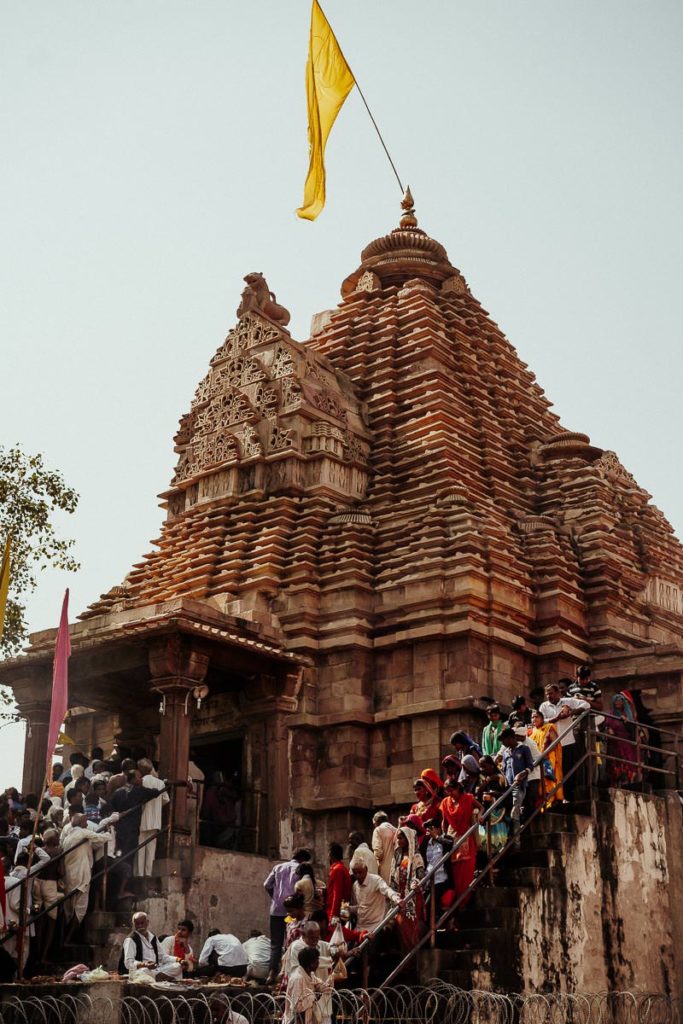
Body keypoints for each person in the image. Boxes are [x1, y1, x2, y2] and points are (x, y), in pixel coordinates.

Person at [264, 848, 312, 984]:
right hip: (292, 912)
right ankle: (285, 973)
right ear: (303, 860)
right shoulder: (300, 870)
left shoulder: (278, 867)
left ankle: (272, 973)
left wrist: (275, 897)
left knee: (276, 943)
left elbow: (266, 885)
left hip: (276, 911)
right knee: (290, 941)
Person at [62, 813, 112, 939]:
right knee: (80, 909)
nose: (87, 823)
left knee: (70, 909)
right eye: (85, 821)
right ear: (81, 823)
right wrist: (109, 831)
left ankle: (66, 938)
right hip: (81, 876)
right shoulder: (82, 833)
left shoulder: (67, 838)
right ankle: (68, 939)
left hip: (70, 877)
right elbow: (101, 838)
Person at [538, 685, 590, 802]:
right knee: (554, 771)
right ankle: (555, 798)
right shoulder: (544, 706)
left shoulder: (567, 701)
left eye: (551, 693)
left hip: (567, 742)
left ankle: (568, 796)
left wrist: (572, 712)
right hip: (552, 745)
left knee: (568, 771)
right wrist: (556, 718)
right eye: (547, 694)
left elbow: (586, 705)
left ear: (557, 693)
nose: (548, 696)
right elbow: (540, 721)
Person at [439, 779, 482, 907]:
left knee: (467, 873)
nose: (450, 794)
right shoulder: (445, 802)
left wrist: (480, 815)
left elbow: (481, 807)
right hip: (452, 839)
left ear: (458, 788)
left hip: (467, 837)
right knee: (455, 873)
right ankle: (457, 904)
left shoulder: (468, 798)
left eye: (451, 791)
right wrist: (444, 836)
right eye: (447, 792)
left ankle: (464, 902)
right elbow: (444, 822)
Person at [390, 825, 425, 951]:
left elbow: (420, 876)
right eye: (397, 838)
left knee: (408, 928)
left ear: (408, 839)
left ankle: (411, 960)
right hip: (400, 897)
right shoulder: (398, 857)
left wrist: (415, 883)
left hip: (412, 898)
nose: (398, 841)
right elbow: (394, 879)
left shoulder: (416, 857)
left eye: (401, 838)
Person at [121, 911, 182, 980]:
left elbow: (163, 957)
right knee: (143, 971)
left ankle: (158, 977)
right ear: (134, 925)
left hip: (156, 969)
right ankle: (160, 977)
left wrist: (179, 960)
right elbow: (128, 963)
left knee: (178, 966)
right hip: (142, 970)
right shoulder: (131, 939)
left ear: (147, 922)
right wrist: (144, 964)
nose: (140, 926)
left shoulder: (153, 937)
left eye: (142, 923)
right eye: (137, 924)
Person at [34, 828, 64, 963]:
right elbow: (61, 871)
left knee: (38, 919)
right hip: (50, 884)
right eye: (57, 837)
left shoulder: (39, 850)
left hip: (37, 883)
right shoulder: (58, 851)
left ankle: (36, 953)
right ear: (53, 839)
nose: (59, 840)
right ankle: (44, 956)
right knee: (51, 920)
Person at [500, 728, 534, 844]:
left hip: (519, 786)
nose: (503, 744)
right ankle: (510, 838)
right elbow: (504, 769)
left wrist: (523, 773)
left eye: (504, 740)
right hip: (507, 788)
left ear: (510, 738)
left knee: (515, 811)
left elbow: (530, 765)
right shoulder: (506, 753)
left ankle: (517, 842)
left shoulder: (524, 749)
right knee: (509, 813)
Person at [283, 946, 334, 1024]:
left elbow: (322, 985)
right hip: (295, 1021)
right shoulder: (298, 978)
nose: (318, 963)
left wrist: (331, 978)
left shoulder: (310, 975)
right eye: (317, 961)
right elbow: (297, 1007)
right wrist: (313, 996)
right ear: (310, 963)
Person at [136, 759, 169, 875]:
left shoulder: (141, 781)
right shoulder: (160, 783)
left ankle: (139, 874)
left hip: (142, 819)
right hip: (155, 820)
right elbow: (166, 799)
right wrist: (157, 805)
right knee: (151, 848)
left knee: (140, 848)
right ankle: (148, 873)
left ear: (140, 770)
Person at [349, 861, 401, 933]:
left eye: (360, 872)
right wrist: (348, 909)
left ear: (366, 870)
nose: (358, 876)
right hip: (360, 927)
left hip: (376, 927)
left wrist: (396, 898)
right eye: (355, 873)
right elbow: (361, 907)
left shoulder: (375, 880)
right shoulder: (355, 886)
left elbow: (386, 890)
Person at [475, 758, 508, 860]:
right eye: (480, 766)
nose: (481, 769)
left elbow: (507, 793)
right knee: (485, 841)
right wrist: (486, 782)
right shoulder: (482, 778)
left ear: (492, 766)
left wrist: (496, 794)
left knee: (498, 842)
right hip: (486, 812)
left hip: (499, 812)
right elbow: (477, 794)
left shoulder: (500, 778)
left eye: (484, 766)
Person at [529, 710, 563, 805]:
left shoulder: (549, 728)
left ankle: (553, 801)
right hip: (535, 760)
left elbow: (555, 742)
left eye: (537, 717)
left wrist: (544, 752)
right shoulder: (530, 732)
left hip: (548, 758)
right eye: (532, 717)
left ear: (542, 719)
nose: (534, 719)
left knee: (549, 779)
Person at [605, 693, 639, 788]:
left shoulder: (627, 714)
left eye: (620, 701)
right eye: (616, 701)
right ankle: (616, 785)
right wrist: (609, 729)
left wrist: (627, 721)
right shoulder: (611, 714)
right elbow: (607, 725)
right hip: (614, 743)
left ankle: (630, 784)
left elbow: (632, 728)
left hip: (626, 742)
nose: (618, 703)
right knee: (615, 765)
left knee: (629, 763)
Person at [422, 816, 454, 913]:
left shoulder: (445, 839)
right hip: (429, 880)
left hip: (441, 879)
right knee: (423, 905)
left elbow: (450, 844)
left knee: (429, 905)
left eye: (431, 829)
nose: (429, 832)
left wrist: (436, 837)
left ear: (438, 828)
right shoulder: (426, 843)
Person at [326, 842, 352, 920]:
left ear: (330, 855)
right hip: (341, 909)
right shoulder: (341, 868)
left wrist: (333, 915)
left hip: (337, 911)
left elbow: (337, 894)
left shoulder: (338, 870)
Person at [371, 812, 397, 886]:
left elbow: (378, 852)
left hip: (385, 869)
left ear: (376, 822)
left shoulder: (378, 830)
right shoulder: (396, 830)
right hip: (397, 867)